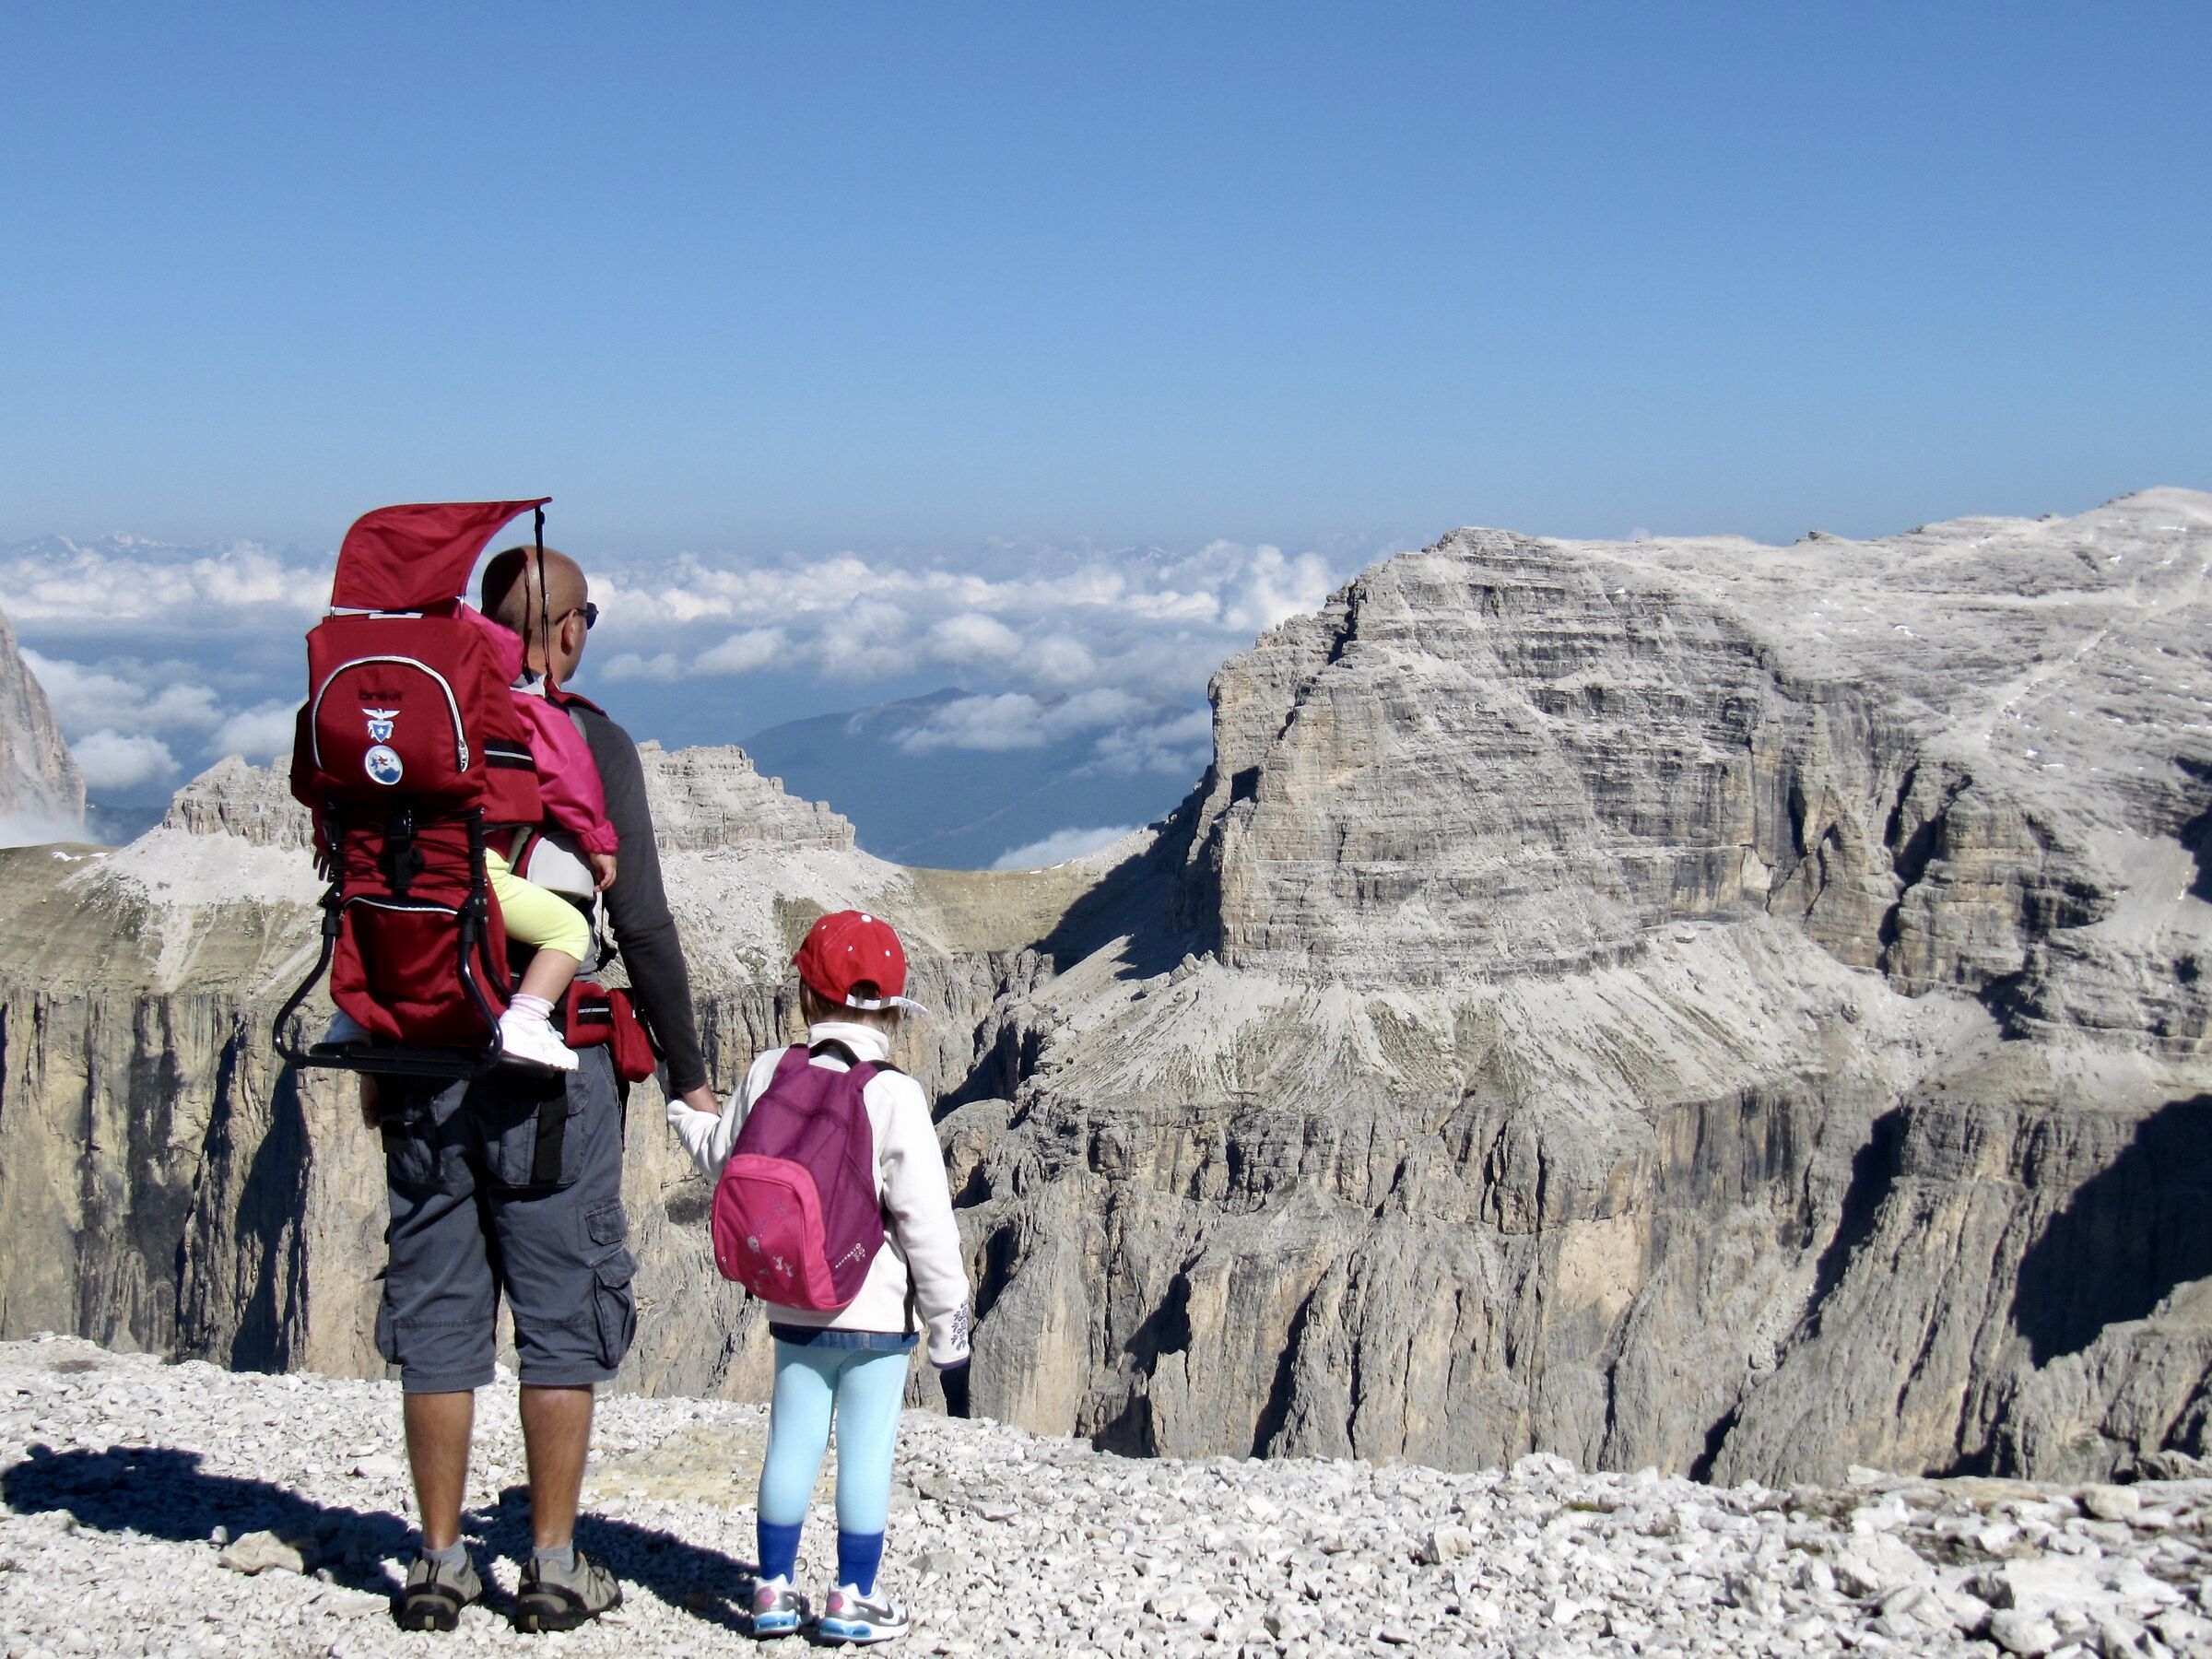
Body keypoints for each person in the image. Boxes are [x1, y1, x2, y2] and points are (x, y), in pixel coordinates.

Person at [375, 543, 722, 1635]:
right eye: (589, 619)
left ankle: (436, 1565)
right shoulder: (589, 738)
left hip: (422, 1061)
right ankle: (554, 1564)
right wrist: (690, 1074)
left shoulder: (414, 732)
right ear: (565, 627)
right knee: (560, 1311)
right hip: (550, 1077)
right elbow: (648, 924)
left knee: (438, 1313)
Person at [666, 910, 972, 1645]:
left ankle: (772, 1590)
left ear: (806, 997)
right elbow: (926, 1222)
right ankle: (852, 1598)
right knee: (866, 1448)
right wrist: (948, 1327)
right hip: (873, 1311)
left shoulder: (770, 1070)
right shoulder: (894, 1095)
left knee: (793, 1438)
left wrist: (683, 1112)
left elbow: (723, 1156)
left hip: (794, 1298)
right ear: (894, 1011)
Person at [456, 602, 617, 1072]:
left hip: (379, 862)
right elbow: (568, 774)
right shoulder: (513, 708)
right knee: (569, 930)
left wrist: (331, 841)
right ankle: (525, 1021)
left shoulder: (395, 699)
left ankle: (353, 1019)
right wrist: (598, 841)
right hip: (474, 868)